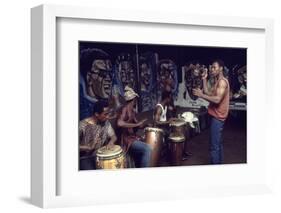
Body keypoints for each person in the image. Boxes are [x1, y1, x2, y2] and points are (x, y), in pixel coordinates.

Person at [192, 59, 230, 164]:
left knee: (214, 147)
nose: (212, 69)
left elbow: (217, 99)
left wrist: (201, 95)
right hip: (216, 116)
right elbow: (208, 92)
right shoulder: (217, 81)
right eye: (211, 67)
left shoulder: (222, 81)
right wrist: (204, 79)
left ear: (221, 68)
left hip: (218, 118)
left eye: (214, 67)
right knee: (218, 144)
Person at [117, 86, 152, 168]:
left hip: (132, 137)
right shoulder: (124, 109)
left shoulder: (132, 110)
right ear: (134, 100)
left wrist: (146, 125)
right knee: (147, 148)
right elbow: (119, 123)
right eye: (135, 99)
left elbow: (138, 125)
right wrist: (136, 124)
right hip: (126, 140)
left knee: (146, 143)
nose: (136, 100)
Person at [79, 100, 117, 170]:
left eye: (108, 114)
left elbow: (113, 136)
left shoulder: (106, 123)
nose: (108, 117)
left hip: (100, 155)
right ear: (97, 114)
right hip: (85, 158)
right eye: (105, 114)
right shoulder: (82, 126)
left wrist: (111, 142)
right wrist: (87, 148)